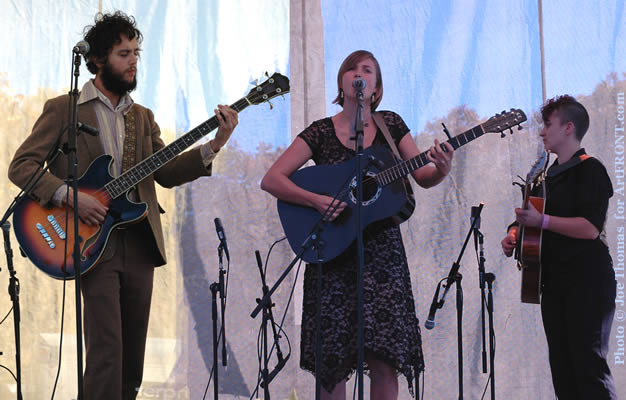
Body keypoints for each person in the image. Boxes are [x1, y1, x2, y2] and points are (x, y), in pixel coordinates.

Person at [8, 11, 238, 399]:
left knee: (132, 359)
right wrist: (69, 196)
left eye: (136, 53)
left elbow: (165, 173)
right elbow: (22, 166)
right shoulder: (65, 109)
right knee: (106, 353)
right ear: (98, 60)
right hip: (89, 244)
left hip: (140, 242)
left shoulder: (142, 117)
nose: (133, 61)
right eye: (123, 53)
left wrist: (215, 144)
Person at [261, 50, 454, 399]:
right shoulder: (320, 132)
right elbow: (273, 179)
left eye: (367, 69)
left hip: (382, 256)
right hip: (333, 254)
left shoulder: (390, 124)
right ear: (341, 81)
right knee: (332, 362)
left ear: (376, 87)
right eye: (351, 68)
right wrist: (316, 201)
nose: (358, 73)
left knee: (384, 358)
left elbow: (423, 176)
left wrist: (441, 168)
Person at [501, 95, 617, 399]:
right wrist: (514, 233)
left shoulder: (591, 169)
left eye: (547, 125)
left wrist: (543, 222)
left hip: (588, 281)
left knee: (589, 368)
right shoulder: (543, 177)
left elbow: (590, 228)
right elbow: (530, 217)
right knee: (563, 373)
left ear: (568, 128)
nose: (541, 132)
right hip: (553, 284)